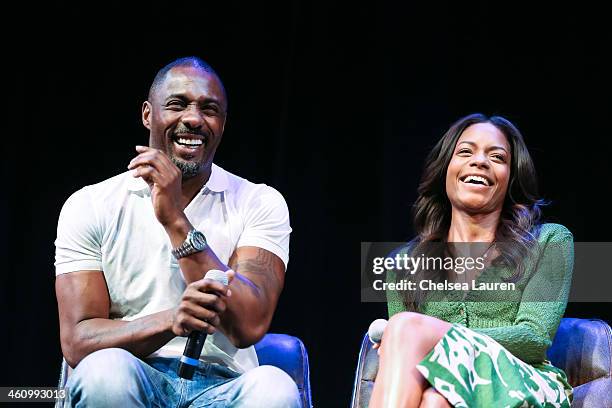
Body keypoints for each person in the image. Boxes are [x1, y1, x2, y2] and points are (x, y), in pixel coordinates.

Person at [54, 56, 301, 407]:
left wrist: (175, 221)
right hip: (132, 373)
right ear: (147, 115)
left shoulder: (259, 202)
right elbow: (79, 341)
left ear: (223, 124)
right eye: (177, 104)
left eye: (209, 109)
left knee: (274, 389)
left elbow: (248, 325)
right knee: (105, 372)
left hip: (224, 384)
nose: (194, 119)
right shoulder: (91, 204)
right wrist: (171, 320)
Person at [369, 113, 573, 407]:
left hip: (524, 383)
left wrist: (429, 336)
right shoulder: (402, 264)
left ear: (510, 179)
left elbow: (533, 338)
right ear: (445, 170)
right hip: (439, 389)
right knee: (435, 400)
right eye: (465, 152)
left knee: (405, 328)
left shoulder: (549, 241)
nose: (480, 161)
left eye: (497, 157)